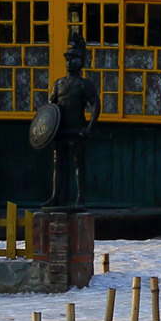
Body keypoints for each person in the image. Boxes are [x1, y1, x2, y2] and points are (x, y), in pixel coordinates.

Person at [48, 38, 100, 207]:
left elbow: (96, 105)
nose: (69, 62)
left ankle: (81, 197)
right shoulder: (59, 83)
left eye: (73, 58)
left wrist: (89, 127)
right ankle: (55, 196)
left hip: (77, 128)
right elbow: (50, 106)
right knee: (58, 164)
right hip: (60, 129)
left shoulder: (85, 85)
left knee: (79, 164)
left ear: (80, 62)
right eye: (68, 59)